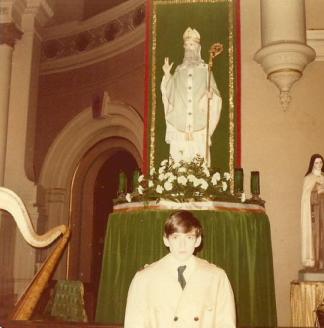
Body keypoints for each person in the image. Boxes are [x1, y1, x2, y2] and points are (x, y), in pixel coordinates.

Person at [124, 210, 236, 327]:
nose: (182, 245)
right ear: (166, 240)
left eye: (189, 238)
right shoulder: (145, 278)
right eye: (176, 237)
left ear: (198, 241)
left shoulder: (216, 277)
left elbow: (226, 323)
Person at [160, 27, 222, 166]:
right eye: (187, 45)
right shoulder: (179, 70)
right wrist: (167, 76)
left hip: (199, 127)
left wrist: (211, 96)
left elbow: (216, 96)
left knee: (199, 162)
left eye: (192, 45)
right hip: (179, 125)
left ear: (198, 48)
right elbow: (170, 94)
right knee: (178, 163)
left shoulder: (206, 69)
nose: (189, 48)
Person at [301, 154, 324, 269]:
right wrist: (316, 191)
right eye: (316, 163)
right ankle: (315, 262)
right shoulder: (308, 178)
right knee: (316, 236)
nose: (319, 165)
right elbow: (306, 198)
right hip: (315, 213)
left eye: (320, 162)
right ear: (312, 164)